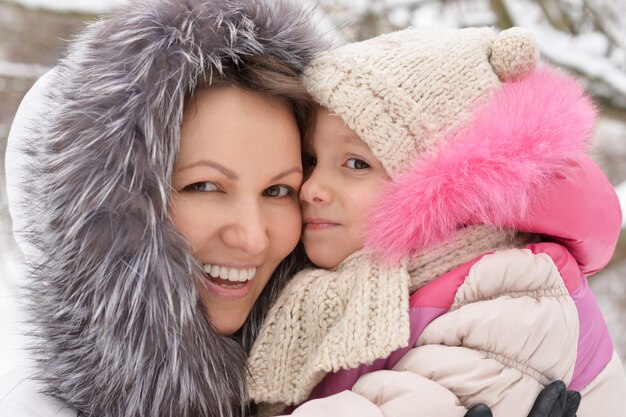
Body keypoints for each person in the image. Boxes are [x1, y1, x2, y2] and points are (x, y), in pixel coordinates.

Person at [0, 1, 582, 416]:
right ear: (102, 207)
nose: (255, 238)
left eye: (279, 189)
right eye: (204, 186)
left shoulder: (320, 349)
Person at [246, 27, 626, 417]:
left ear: (435, 183)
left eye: (356, 164)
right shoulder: (349, 287)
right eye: (311, 160)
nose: (311, 188)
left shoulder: (513, 290)